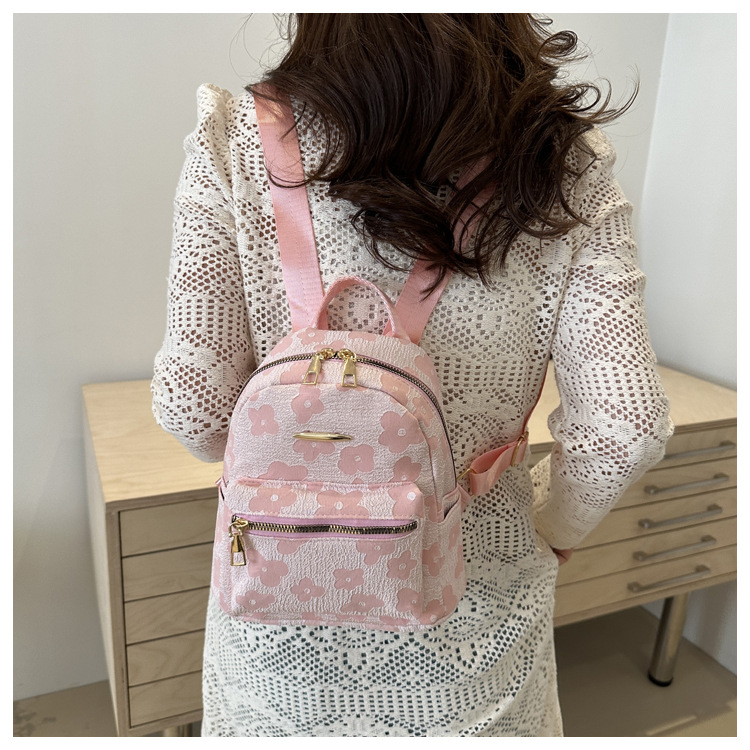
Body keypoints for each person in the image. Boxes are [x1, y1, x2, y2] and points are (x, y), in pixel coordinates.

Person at [151, 13, 673, 737]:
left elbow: (194, 409)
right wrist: (551, 530)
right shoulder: (564, 160)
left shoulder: (237, 137)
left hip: (276, 650)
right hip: (477, 651)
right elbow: (626, 427)